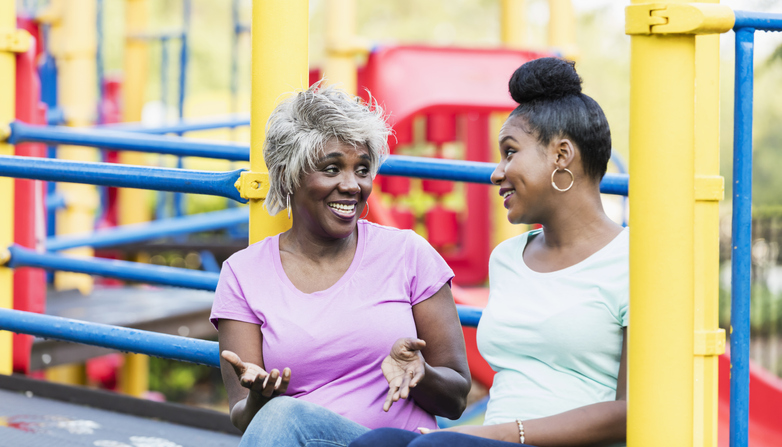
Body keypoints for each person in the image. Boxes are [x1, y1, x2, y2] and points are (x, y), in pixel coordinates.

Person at [350, 57, 628, 447]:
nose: (496, 172)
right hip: (491, 441)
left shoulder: (635, 260)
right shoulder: (508, 258)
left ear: (561, 156)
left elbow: (634, 410)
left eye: (510, 152)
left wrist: (498, 434)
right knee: (375, 444)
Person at [210, 83, 471, 447]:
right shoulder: (243, 273)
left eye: (362, 169)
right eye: (331, 169)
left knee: (283, 417)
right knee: (280, 416)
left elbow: (456, 398)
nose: (352, 185)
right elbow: (242, 416)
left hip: (395, 443)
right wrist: (259, 399)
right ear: (290, 175)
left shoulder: (407, 253)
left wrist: (420, 374)